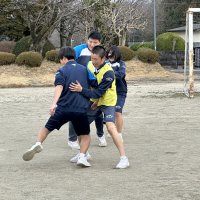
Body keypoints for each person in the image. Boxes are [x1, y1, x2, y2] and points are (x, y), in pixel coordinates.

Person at [22, 47, 92, 167]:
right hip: (80, 108)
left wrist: (54, 104)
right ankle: (82, 157)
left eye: (61, 60)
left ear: (64, 58)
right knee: (85, 135)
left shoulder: (61, 71)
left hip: (63, 108)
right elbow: (92, 85)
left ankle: (38, 143)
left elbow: (59, 87)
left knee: (46, 128)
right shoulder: (85, 70)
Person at [69, 45, 130, 169]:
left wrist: (81, 90)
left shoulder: (109, 72)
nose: (93, 61)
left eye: (96, 59)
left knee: (110, 127)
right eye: (92, 58)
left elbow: (99, 92)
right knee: (80, 123)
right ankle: (83, 154)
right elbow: (92, 83)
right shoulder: (90, 65)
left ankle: (124, 159)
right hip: (95, 101)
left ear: (103, 59)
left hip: (108, 102)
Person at [68, 31, 107, 149]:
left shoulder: (101, 53)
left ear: (100, 43)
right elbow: (69, 62)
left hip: (95, 86)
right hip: (80, 86)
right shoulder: (79, 49)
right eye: (90, 41)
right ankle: (72, 139)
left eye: (95, 42)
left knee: (98, 111)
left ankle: (101, 135)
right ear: (87, 40)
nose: (92, 44)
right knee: (76, 110)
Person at [106, 45, 127, 142]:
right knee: (109, 112)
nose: (110, 54)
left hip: (120, 91)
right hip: (108, 92)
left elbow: (120, 75)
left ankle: (119, 133)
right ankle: (111, 130)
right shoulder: (105, 63)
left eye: (112, 53)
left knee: (118, 112)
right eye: (109, 52)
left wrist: (109, 74)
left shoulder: (121, 64)